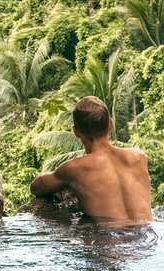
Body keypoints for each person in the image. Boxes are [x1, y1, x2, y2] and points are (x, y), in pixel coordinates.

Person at [30, 96, 153, 224]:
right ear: (110, 124)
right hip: (146, 236)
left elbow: (37, 187)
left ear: (76, 132)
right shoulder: (139, 157)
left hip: (107, 239)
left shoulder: (74, 169)